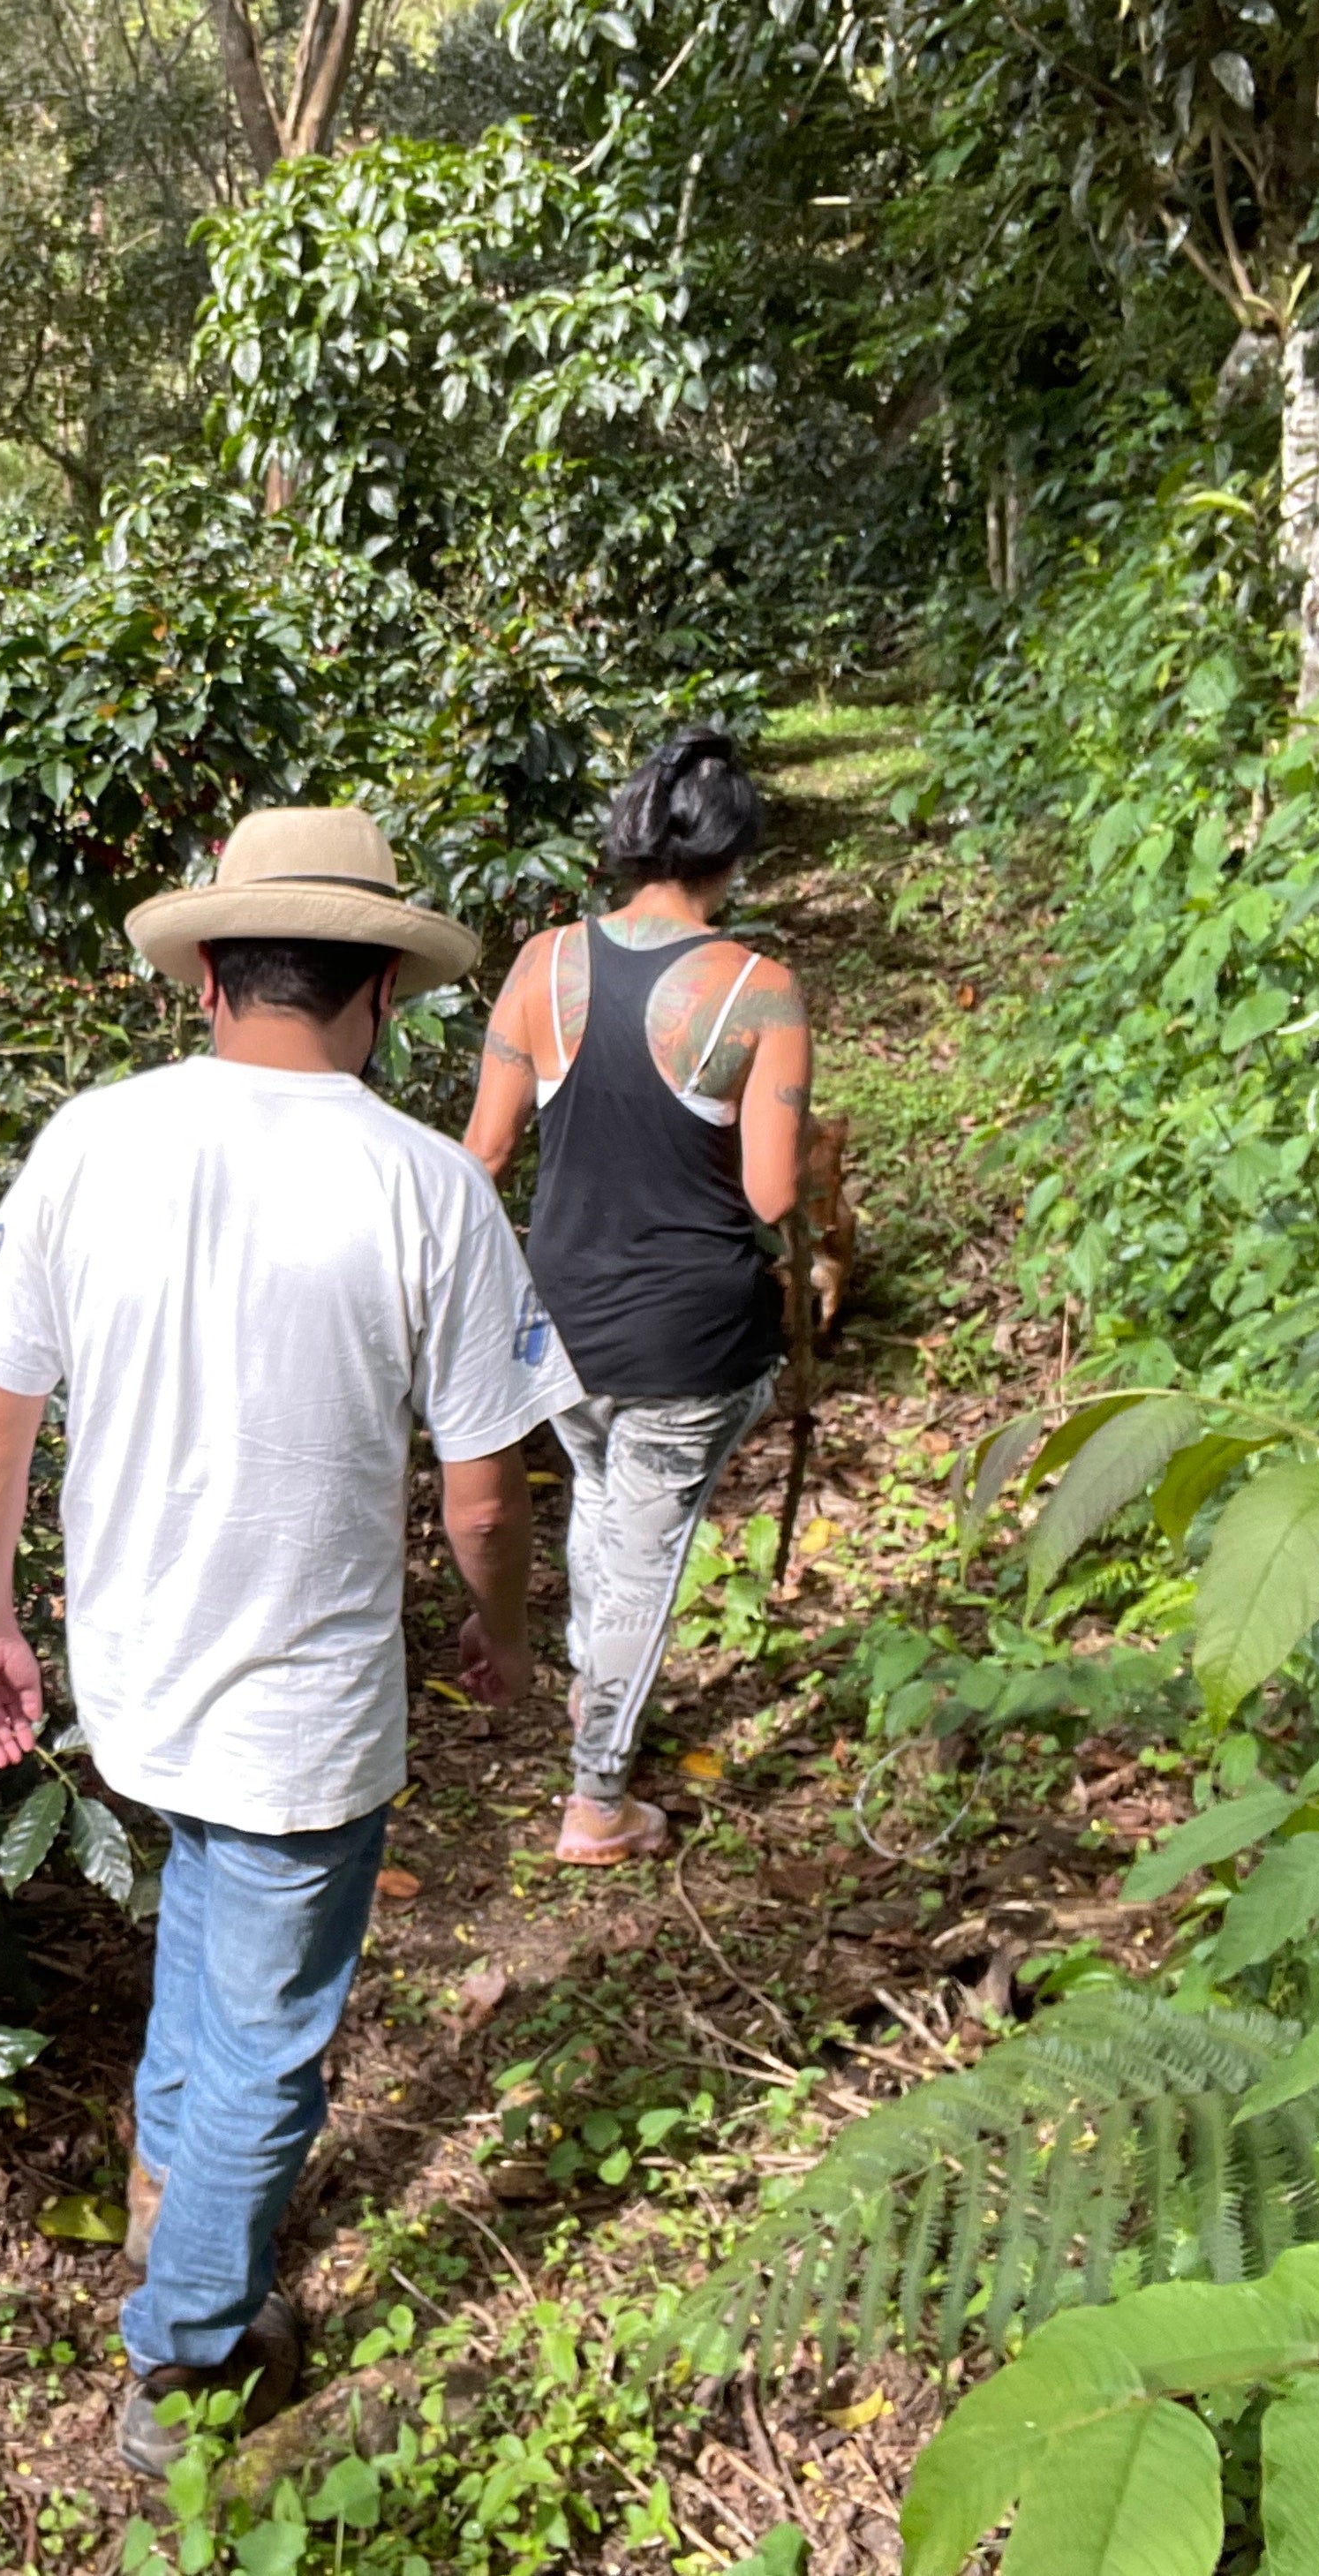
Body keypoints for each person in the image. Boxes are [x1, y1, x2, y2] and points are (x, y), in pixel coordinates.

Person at [0, 805, 580, 2479]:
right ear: (378, 992)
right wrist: (502, 1638)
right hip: (306, 1706)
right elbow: (485, 1498)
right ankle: (191, 2357)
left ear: (211, 973)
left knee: (210, 1943)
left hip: (139, 1677)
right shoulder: (430, 1188)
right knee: (273, 2045)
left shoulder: (90, 1140)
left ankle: (169, 2221)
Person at [462, 727, 809, 1864]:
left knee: (603, 1508)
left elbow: (484, 1157)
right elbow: (768, 1194)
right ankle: (597, 1797)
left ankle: (590, 1701)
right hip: (688, 1337)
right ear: (733, 855)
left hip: (557, 1320)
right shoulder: (758, 993)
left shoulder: (540, 967)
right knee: (643, 1558)